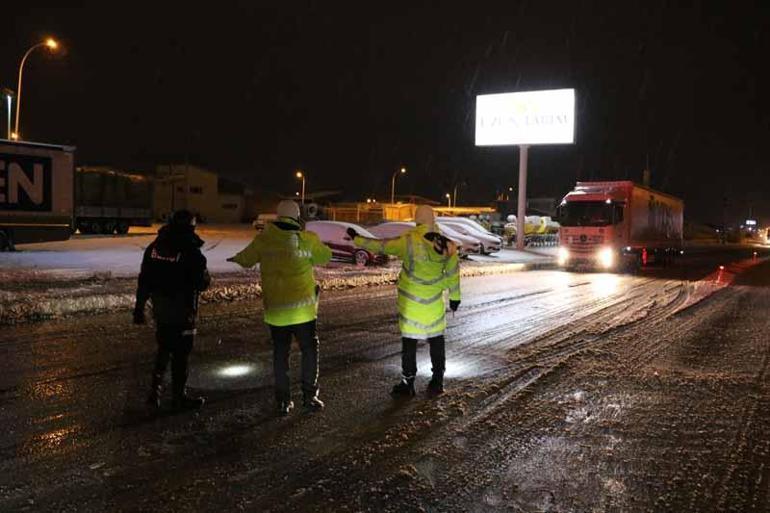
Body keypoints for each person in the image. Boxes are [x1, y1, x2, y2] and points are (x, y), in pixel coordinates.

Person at [228, 200, 332, 416]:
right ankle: (309, 395)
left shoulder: (264, 239)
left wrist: (234, 258)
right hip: (303, 312)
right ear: (296, 216)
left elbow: (246, 259)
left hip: (276, 312)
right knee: (309, 352)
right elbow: (326, 257)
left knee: (280, 355)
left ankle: (283, 401)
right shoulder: (306, 239)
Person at [348, 205, 461, 397]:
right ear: (433, 220)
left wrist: (357, 238)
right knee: (436, 341)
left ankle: (408, 384)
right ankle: (437, 382)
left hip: (411, 304)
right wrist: (455, 298)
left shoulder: (409, 241)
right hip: (434, 303)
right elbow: (453, 274)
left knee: (409, 344)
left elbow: (381, 245)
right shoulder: (447, 245)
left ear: (417, 220)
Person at [133, 210, 211, 411]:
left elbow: (144, 279)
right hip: (183, 310)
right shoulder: (191, 252)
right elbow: (201, 283)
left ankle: (155, 393)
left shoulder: (154, 248)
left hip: (161, 309)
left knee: (164, 348)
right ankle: (179, 397)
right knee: (181, 355)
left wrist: (139, 307)